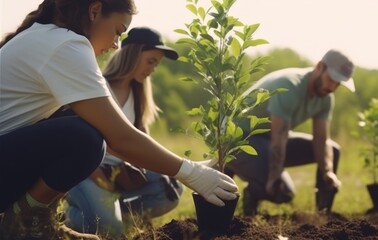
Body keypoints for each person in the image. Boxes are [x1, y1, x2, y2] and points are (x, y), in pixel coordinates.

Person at [0, 1, 238, 239]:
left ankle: (35, 218)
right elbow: (119, 138)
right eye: (118, 31)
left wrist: (189, 169)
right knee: (85, 138)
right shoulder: (66, 45)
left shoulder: (47, 37)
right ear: (94, 11)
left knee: (82, 125)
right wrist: (192, 173)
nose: (115, 44)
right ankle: (21, 222)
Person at [64, 27, 184, 237]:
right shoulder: (97, 87)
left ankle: (112, 213)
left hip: (119, 172)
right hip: (87, 170)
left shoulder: (138, 95)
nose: (153, 69)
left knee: (171, 189)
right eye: (151, 61)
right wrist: (102, 181)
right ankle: (71, 217)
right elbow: (78, 144)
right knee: (113, 232)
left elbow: (143, 144)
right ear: (133, 54)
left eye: (157, 63)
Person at [225, 49, 354, 216]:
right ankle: (249, 188)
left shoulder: (326, 98)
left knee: (332, 150)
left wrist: (327, 171)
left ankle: (323, 216)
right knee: (282, 191)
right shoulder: (290, 85)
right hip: (238, 137)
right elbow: (279, 135)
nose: (333, 87)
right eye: (332, 79)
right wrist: (273, 177)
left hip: (267, 139)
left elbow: (321, 140)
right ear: (319, 67)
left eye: (339, 83)